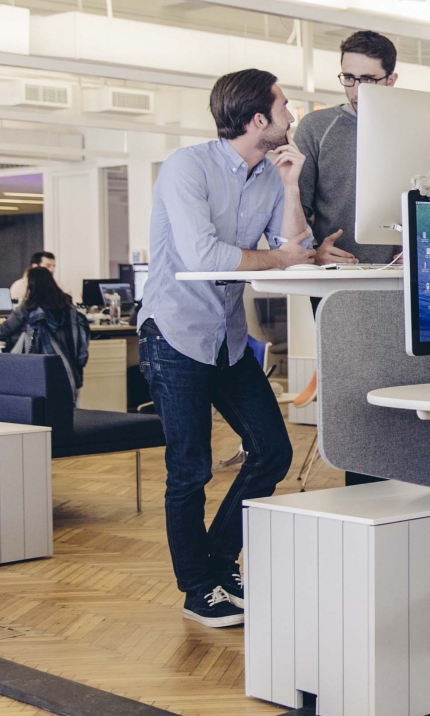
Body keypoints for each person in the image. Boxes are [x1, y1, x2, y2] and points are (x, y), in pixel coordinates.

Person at [137, 68, 355, 628]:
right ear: (259, 119)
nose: (291, 116)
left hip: (228, 339)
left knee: (272, 451)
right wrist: (284, 258)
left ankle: (216, 563)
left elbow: (291, 245)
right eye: (284, 107)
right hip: (175, 334)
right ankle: (197, 589)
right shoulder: (187, 167)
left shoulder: (270, 175)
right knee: (190, 469)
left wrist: (291, 189)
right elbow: (204, 256)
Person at [295, 30, 400, 267]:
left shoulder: (412, 128)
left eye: (368, 79)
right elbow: (296, 205)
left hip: (401, 273)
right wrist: (313, 252)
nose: (356, 89)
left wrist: (421, 248)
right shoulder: (316, 127)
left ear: (390, 80)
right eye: (349, 77)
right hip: (335, 271)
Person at [0, 265, 92, 403]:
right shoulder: (69, 306)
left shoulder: (29, 306)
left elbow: (4, 330)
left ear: (31, 285)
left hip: (39, 371)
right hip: (70, 370)